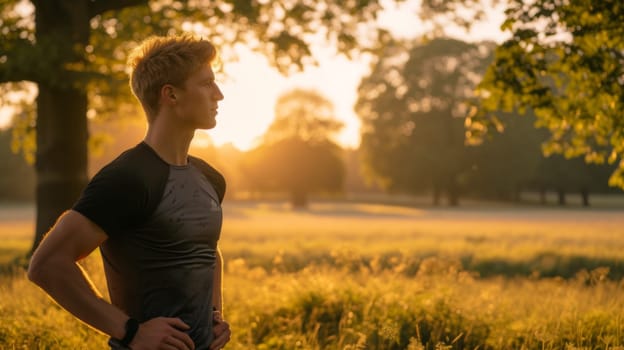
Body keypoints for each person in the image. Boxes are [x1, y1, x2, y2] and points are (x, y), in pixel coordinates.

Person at [28, 34, 231, 350]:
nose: (218, 94)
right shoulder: (127, 179)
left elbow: (207, 250)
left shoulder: (209, 178)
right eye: (206, 84)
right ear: (171, 95)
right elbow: (47, 264)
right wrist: (132, 332)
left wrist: (214, 316)